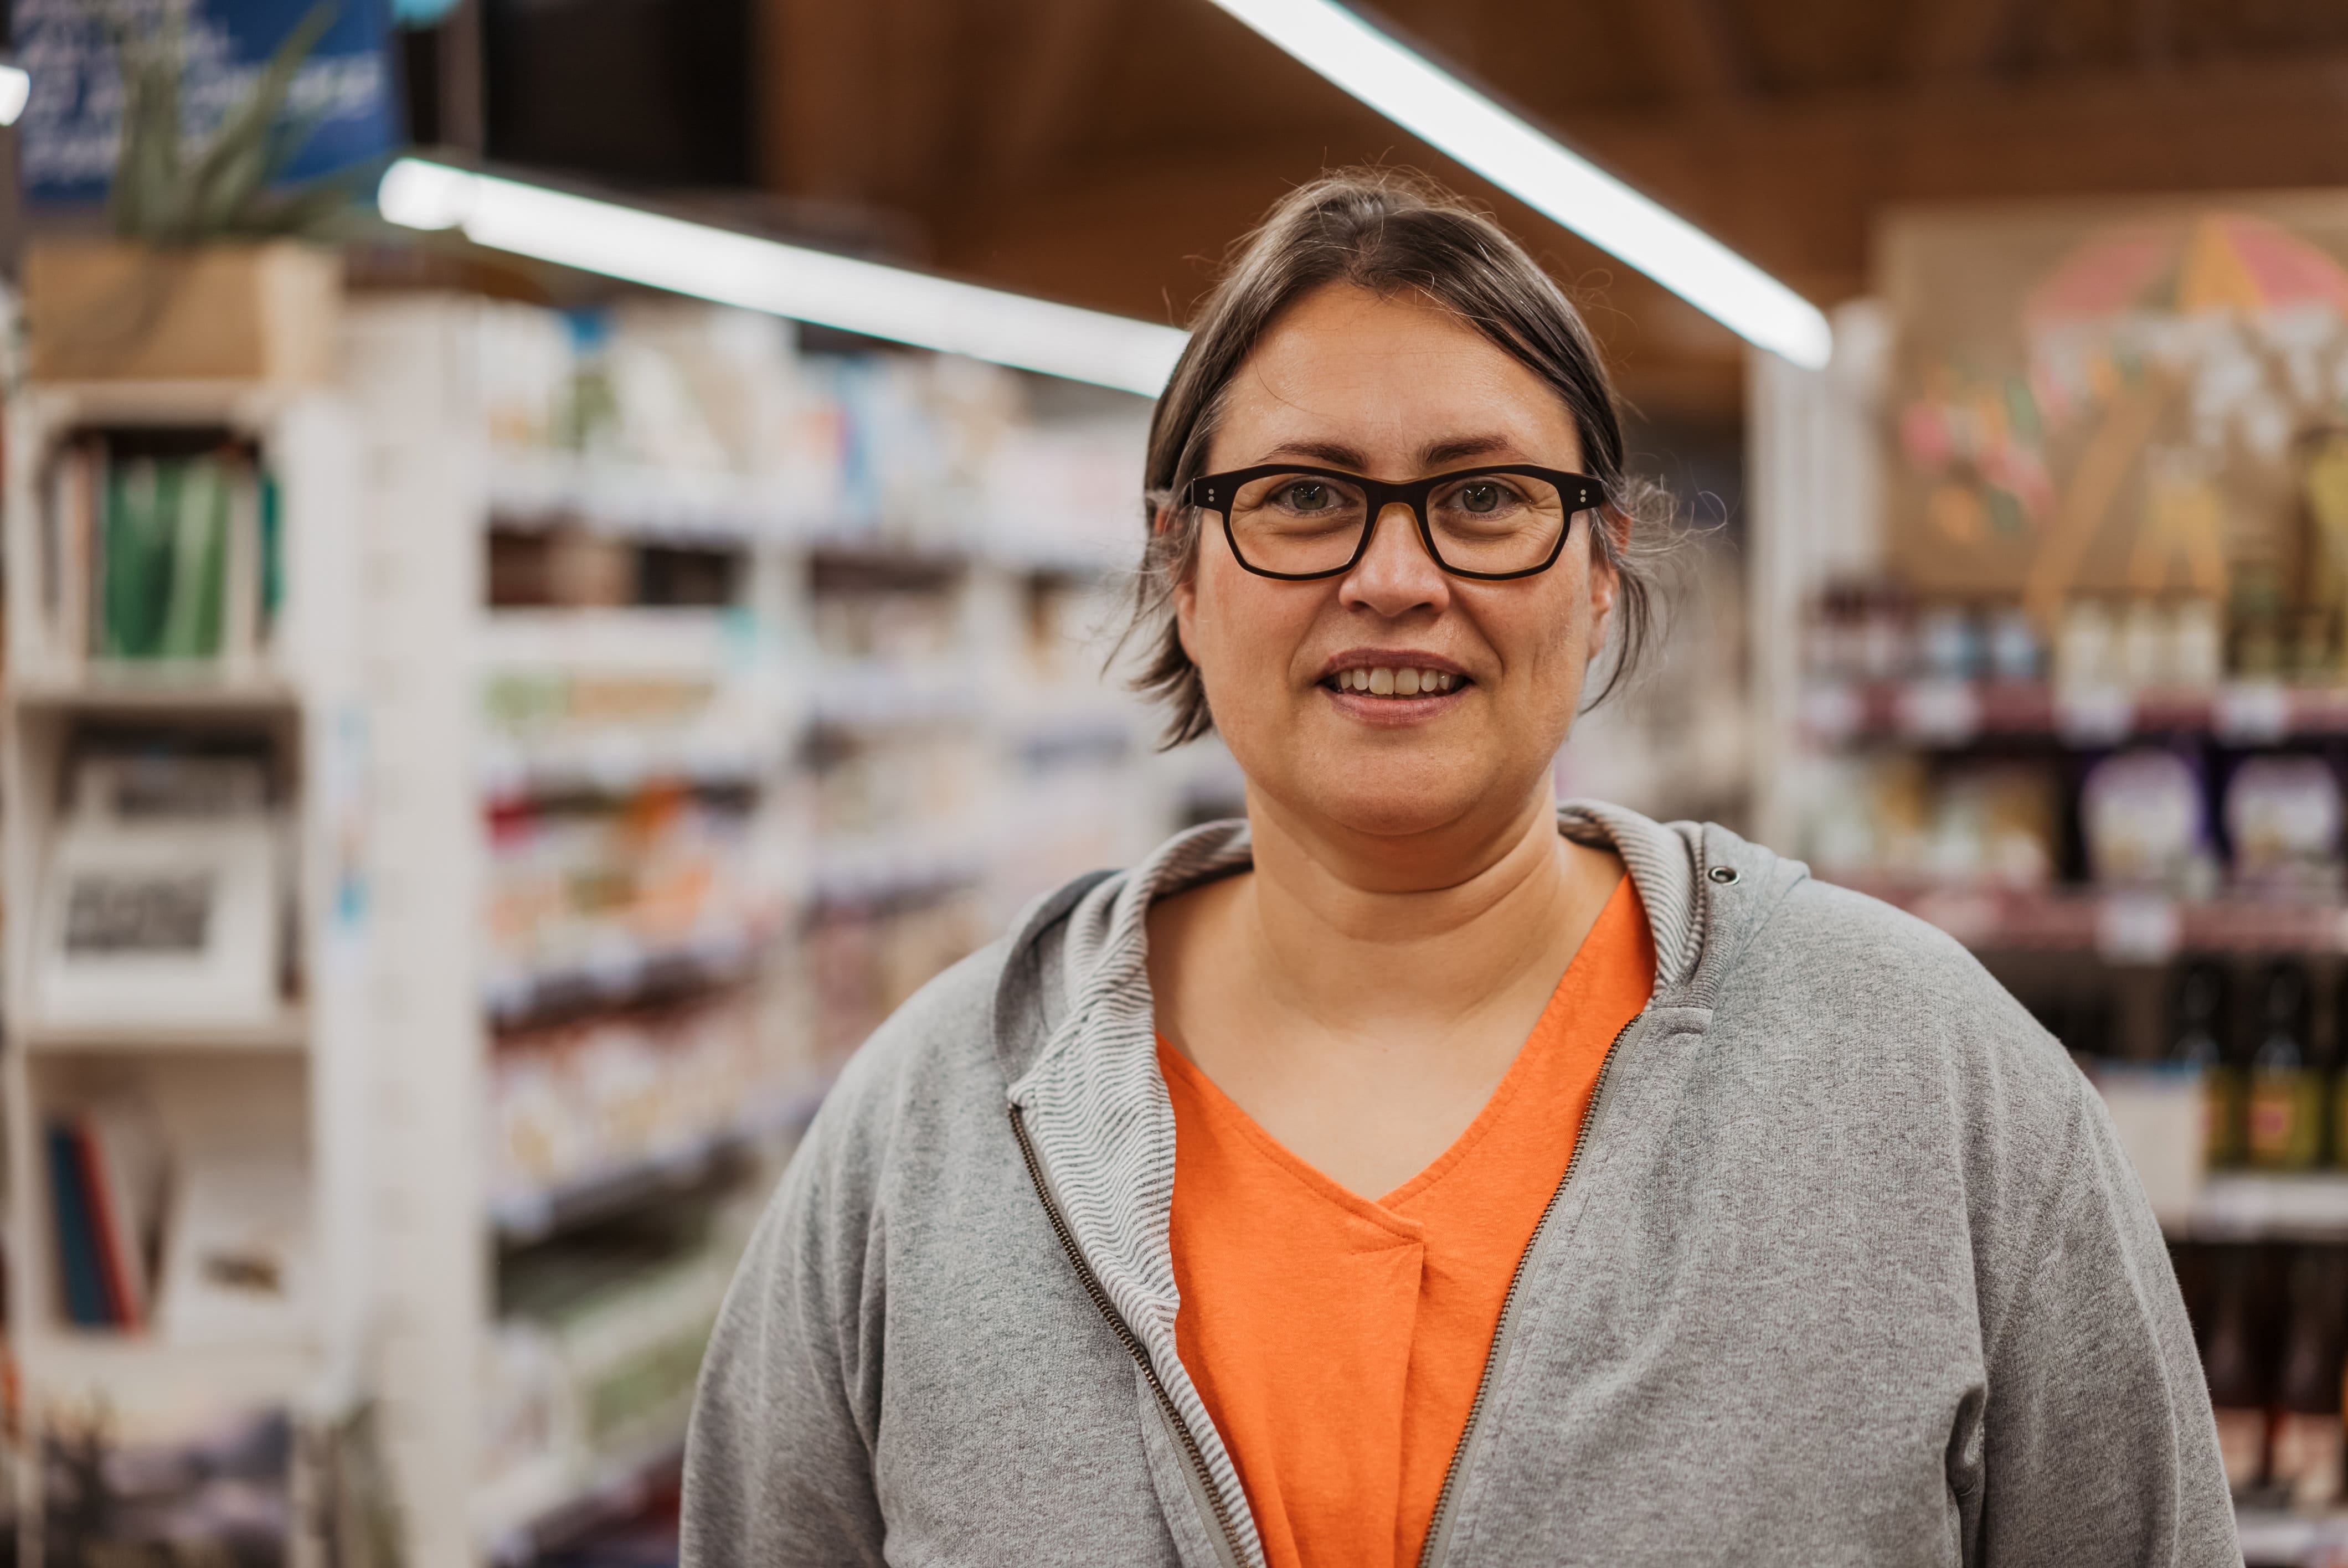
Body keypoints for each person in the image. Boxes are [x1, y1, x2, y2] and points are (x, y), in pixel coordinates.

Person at [681, 169, 2234, 1568]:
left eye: (1486, 498)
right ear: (1182, 571)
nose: (1396, 577)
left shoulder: (1930, 1085)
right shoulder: (931, 1133)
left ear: (1601, 567)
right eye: (1302, 497)